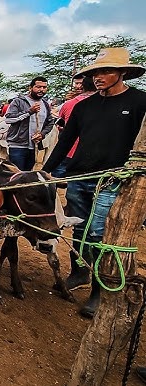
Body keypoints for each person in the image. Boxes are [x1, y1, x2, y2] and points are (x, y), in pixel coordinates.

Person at [42, 47, 146, 319]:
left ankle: (98, 292)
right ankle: (79, 271)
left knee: (98, 233)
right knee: (78, 226)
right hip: (80, 176)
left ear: (123, 73)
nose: (99, 77)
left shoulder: (139, 103)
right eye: (96, 72)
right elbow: (66, 141)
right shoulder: (84, 106)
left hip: (112, 180)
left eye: (106, 71)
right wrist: (46, 171)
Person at [50, 75, 97, 179]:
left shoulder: (69, 104)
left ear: (84, 86)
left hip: (68, 151)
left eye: (80, 83)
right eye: (76, 83)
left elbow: (60, 121)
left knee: (57, 181)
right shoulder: (105, 104)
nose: (78, 86)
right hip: (92, 155)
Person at [4, 76, 55, 171]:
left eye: (44, 87)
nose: (41, 90)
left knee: (28, 175)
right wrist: (29, 112)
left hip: (33, 146)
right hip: (18, 145)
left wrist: (42, 134)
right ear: (30, 88)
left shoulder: (45, 104)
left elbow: (50, 122)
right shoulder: (18, 102)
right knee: (17, 175)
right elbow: (9, 119)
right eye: (38, 87)